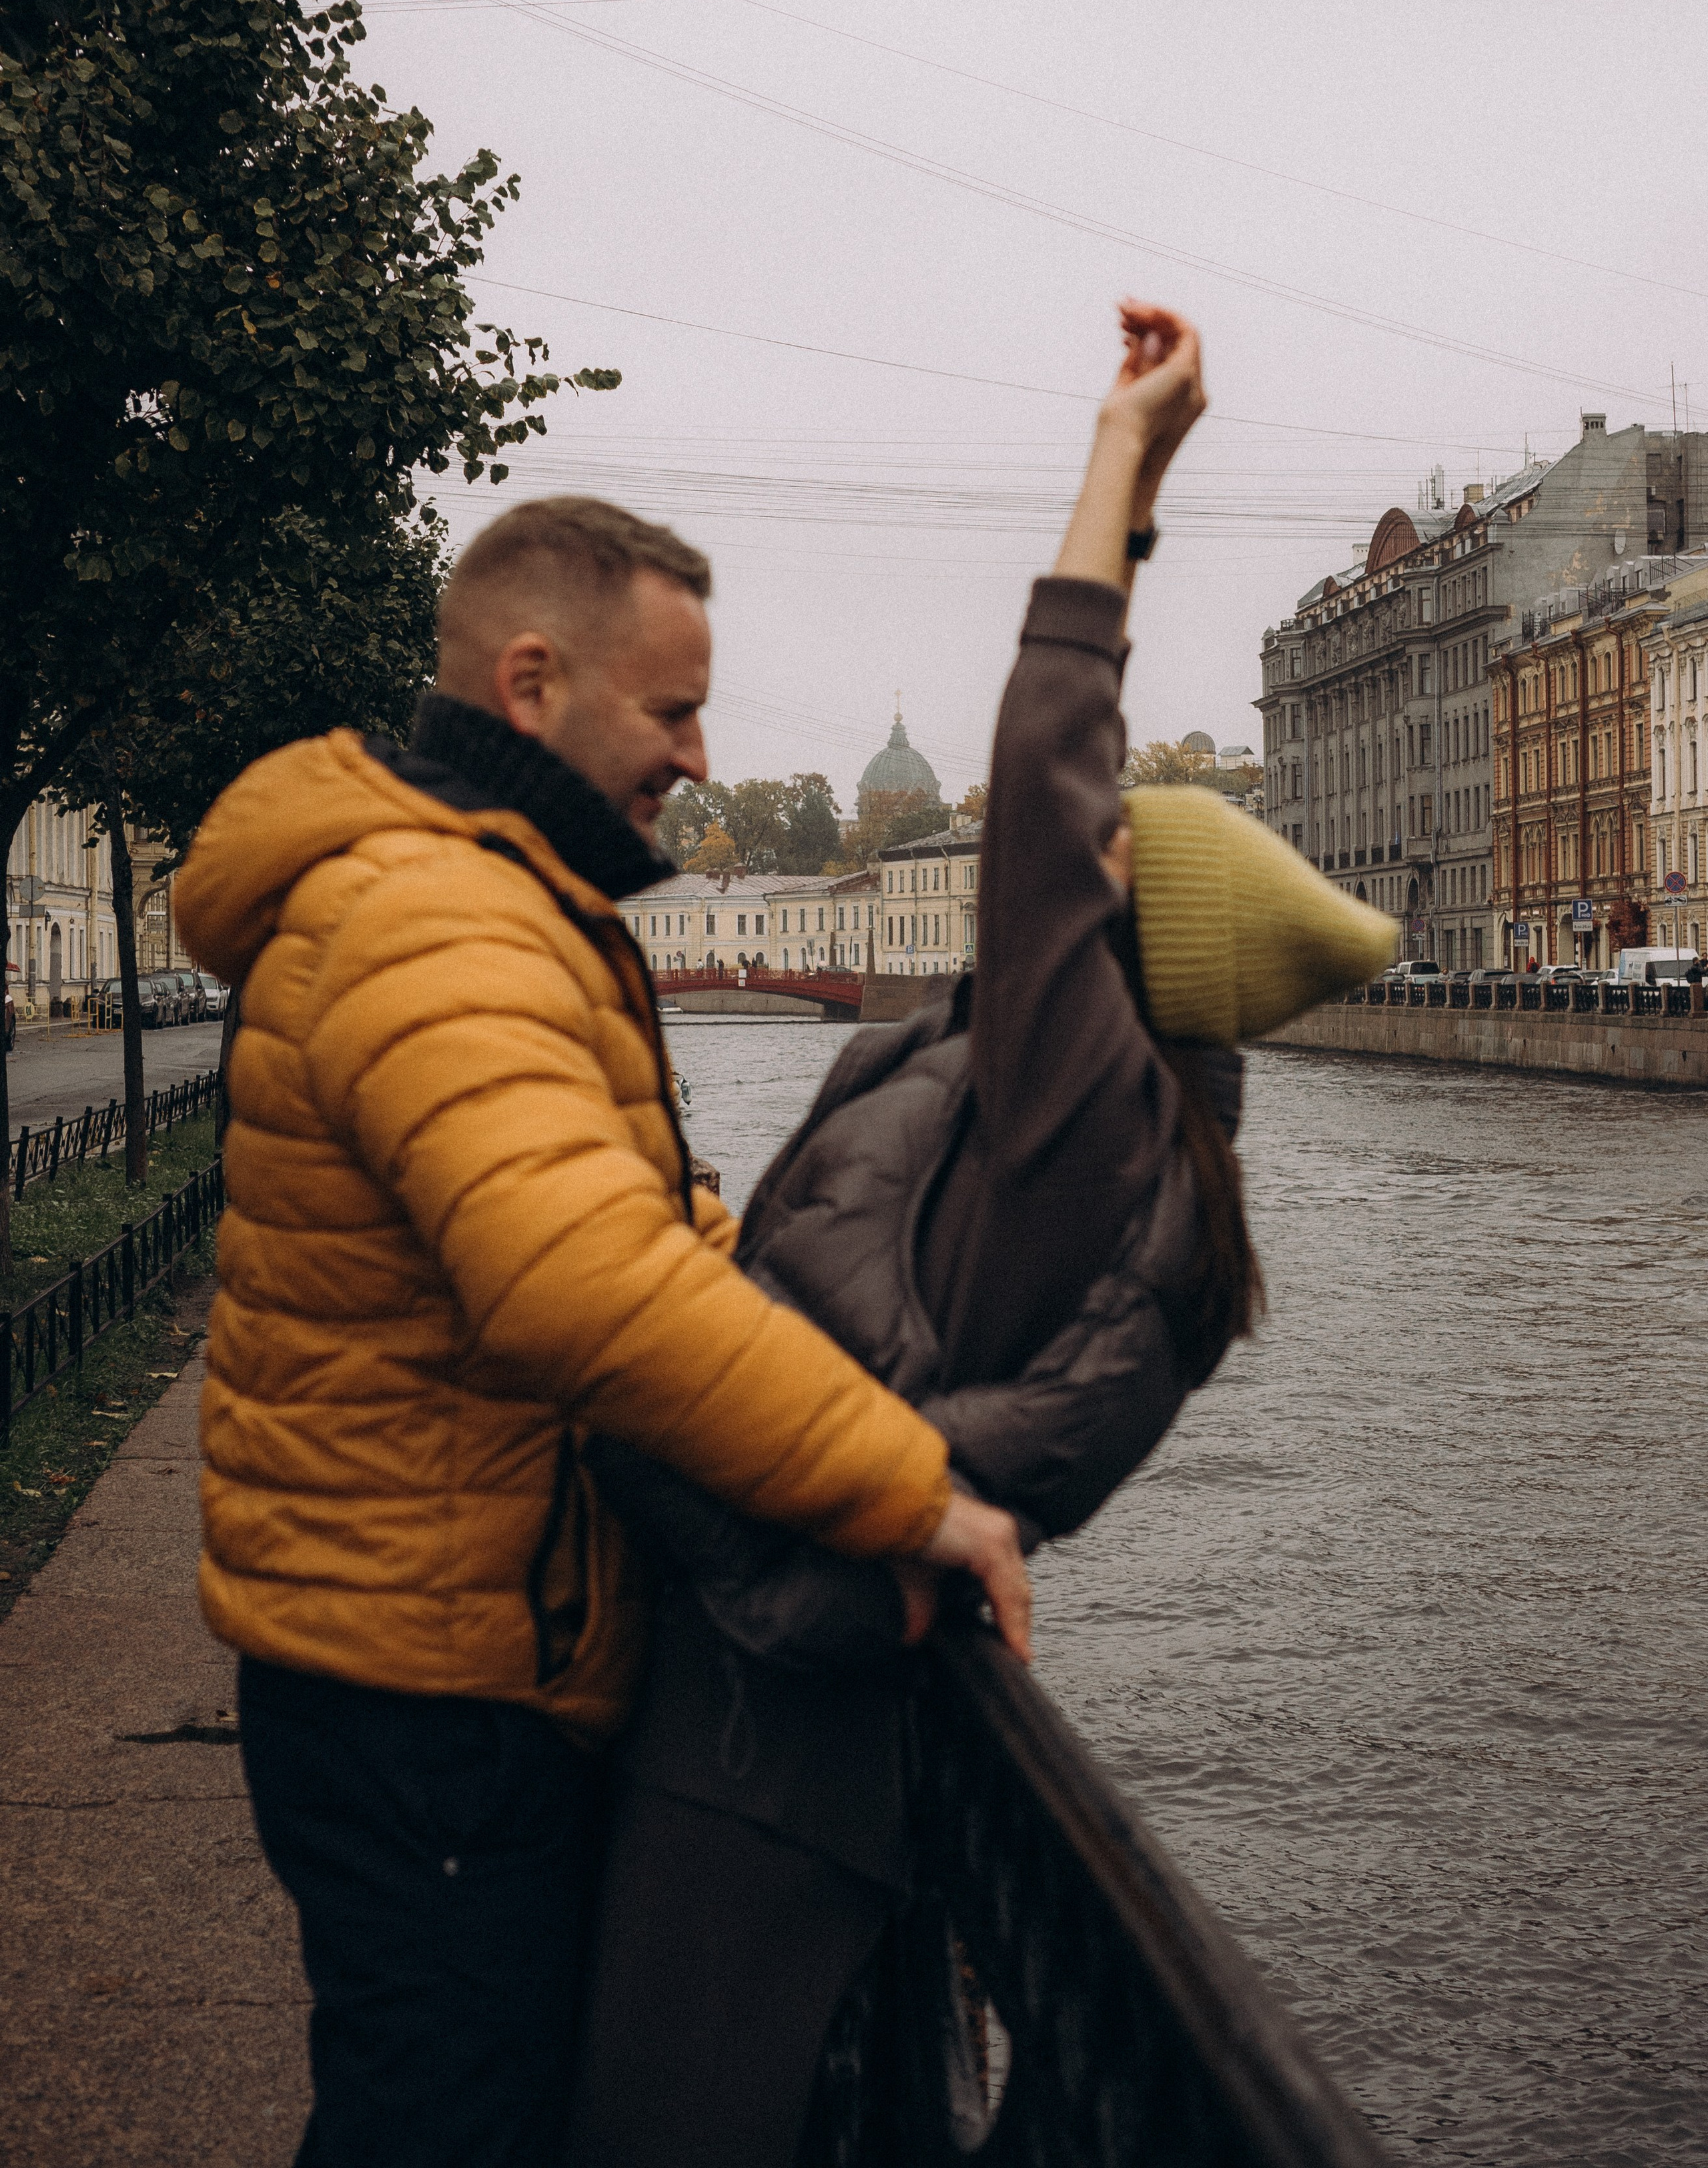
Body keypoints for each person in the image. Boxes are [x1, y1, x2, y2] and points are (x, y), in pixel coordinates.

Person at [570, 306, 1398, 2165]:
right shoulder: (1120, 1150)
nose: (1076, 850)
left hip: (765, 1718)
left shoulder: (1088, 1119)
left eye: (1113, 851)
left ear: (1142, 942)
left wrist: (1125, 467)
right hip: (768, 1670)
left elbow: (1043, 763)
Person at [174, 498, 1029, 2168]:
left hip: (438, 1635)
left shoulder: (483, 892)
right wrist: (902, 1484)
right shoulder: (436, 918)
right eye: (670, 709)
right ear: (531, 680)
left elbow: (640, 1224)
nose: (699, 759)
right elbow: (578, 1279)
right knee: (439, 2124)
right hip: (430, 1681)